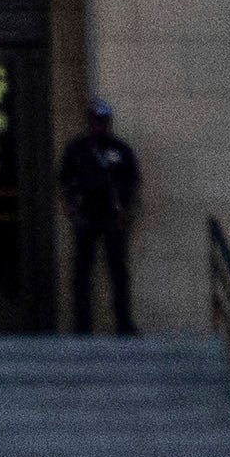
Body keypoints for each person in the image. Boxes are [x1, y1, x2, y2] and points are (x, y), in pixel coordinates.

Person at [55, 99, 144, 336]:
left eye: (103, 121)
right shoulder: (77, 149)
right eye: (95, 121)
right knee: (82, 273)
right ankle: (82, 326)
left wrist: (125, 213)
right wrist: (70, 209)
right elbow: (64, 180)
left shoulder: (120, 150)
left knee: (118, 272)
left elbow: (132, 182)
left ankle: (123, 324)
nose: (99, 126)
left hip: (113, 218)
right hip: (86, 217)